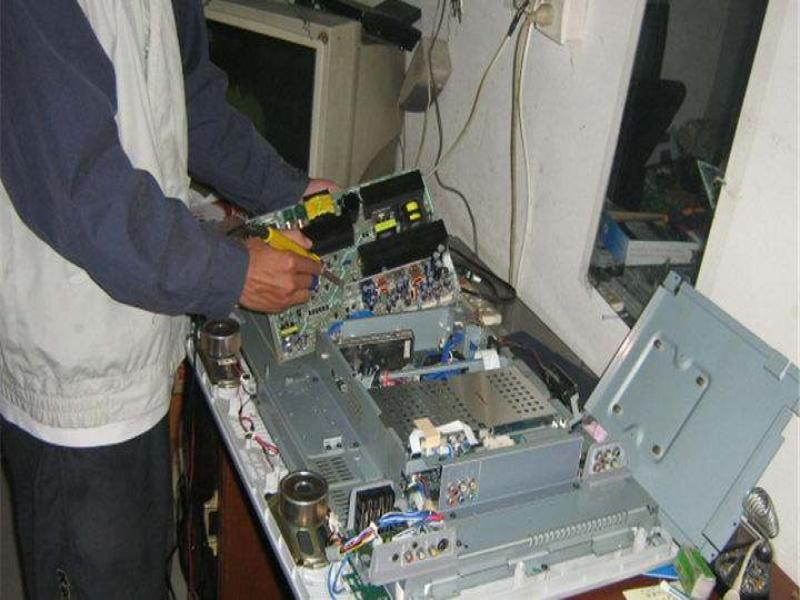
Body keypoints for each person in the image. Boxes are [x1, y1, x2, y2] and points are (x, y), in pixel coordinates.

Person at [0, 0, 334, 597]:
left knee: (142, 565)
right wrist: (233, 273)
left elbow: (191, 98)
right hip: (75, 375)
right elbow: (84, 193)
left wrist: (288, 188)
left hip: (142, 344)